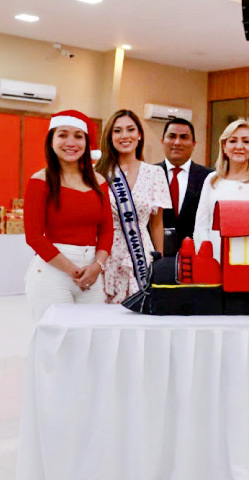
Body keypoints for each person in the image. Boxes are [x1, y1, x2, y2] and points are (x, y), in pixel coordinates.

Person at [24, 110, 113, 321]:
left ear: (87, 142)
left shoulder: (99, 181)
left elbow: (107, 230)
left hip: (92, 271)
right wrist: (73, 270)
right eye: (62, 135)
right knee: (55, 342)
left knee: (89, 340)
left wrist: (97, 266)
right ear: (51, 141)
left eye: (78, 136)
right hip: (53, 271)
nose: (70, 142)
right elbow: (34, 237)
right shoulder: (40, 181)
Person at [96, 109, 171, 304]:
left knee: (139, 310)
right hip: (105, 253)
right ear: (110, 137)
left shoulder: (155, 173)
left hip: (140, 252)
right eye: (117, 131)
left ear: (139, 135)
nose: (124, 136)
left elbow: (157, 223)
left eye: (130, 129)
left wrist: (159, 260)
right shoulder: (98, 173)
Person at [194, 119, 249, 261]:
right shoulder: (212, 179)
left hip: (248, 261)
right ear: (224, 146)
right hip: (213, 259)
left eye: (246, 141)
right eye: (233, 141)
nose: (239, 146)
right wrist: (204, 258)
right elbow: (201, 225)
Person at [157, 118, 213, 252]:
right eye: (172, 136)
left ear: (193, 143)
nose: (177, 142)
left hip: (196, 255)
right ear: (162, 141)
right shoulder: (149, 174)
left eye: (184, 137)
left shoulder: (209, 177)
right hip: (157, 257)